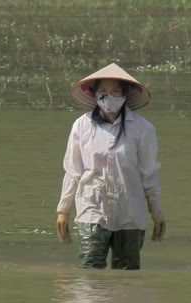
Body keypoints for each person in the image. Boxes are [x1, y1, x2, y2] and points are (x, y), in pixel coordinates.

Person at [55, 63, 166, 270]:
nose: (109, 96)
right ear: (96, 95)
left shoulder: (142, 128)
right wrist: (63, 209)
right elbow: (73, 171)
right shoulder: (82, 126)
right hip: (92, 208)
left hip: (130, 213)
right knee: (90, 271)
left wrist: (156, 211)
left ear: (124, 95)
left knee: (127, 276)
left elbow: (149, 173)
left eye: (115, 91)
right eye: (103, 91)